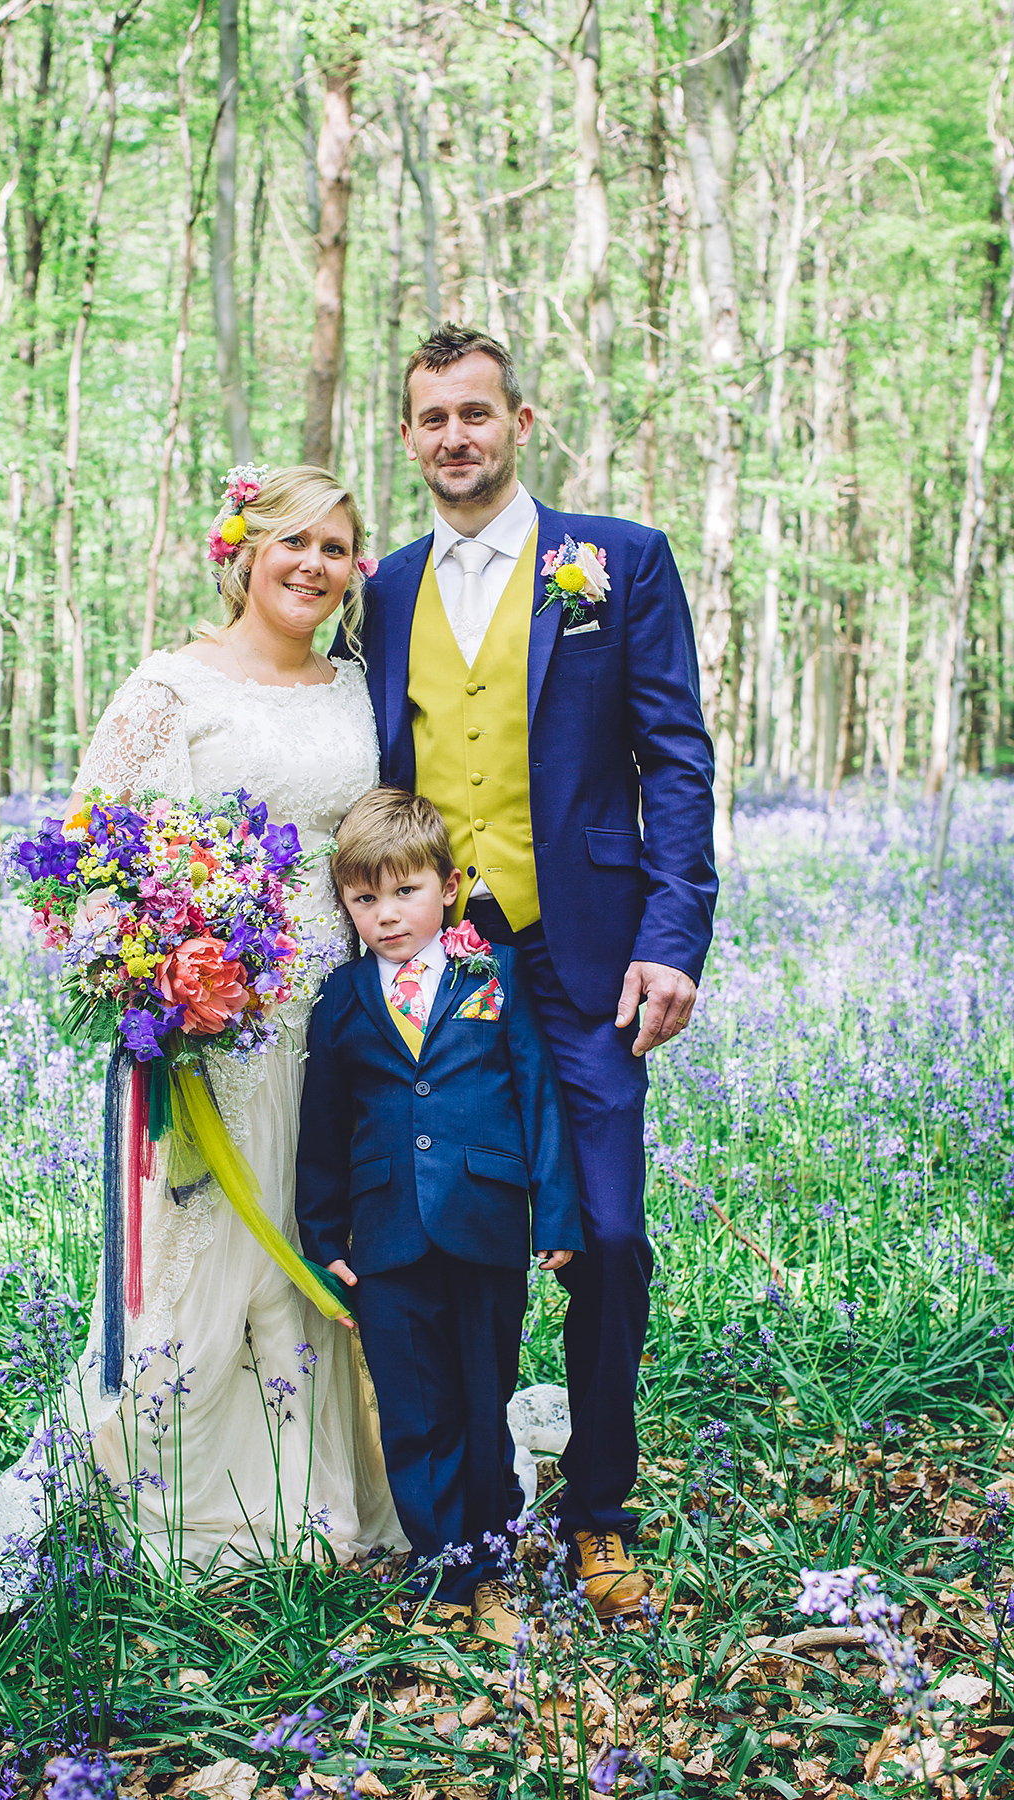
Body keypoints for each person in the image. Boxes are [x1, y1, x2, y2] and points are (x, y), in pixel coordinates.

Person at [0, 466, 403, 1615]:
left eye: (337, 548)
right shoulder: (169, 688)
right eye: (292, 542)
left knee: (320, 1232)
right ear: (241, 549)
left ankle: (329, 1497)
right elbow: (84, 859)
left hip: (340, 1023)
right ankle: (174, 1503)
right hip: (210, 1027)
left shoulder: (360, 689)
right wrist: (157, 970)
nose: (312, 566)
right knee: (202, 1251)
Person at [340, 325, 718, 1621]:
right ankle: (479, 1526)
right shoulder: (384, 590)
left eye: (477, 413)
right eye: (433, 417)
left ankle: (600, 1512)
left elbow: (674, 756)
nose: (457, 436)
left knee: (607, 1235)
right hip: (446, 972)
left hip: (590, 957)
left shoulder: (613, 562)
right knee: (470, 1244)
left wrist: (675, 934)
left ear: (521, 420)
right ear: (408, 437)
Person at [295, 788, 584, 1646]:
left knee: (480, 1393)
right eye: (364, 899)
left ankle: (492, 1561)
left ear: (450, 885)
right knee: (415, 1411)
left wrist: (558, 1216)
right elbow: (322, 1128)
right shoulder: (342, 998)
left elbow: (537, 1093)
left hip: (486, 1221)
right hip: (383, 1236)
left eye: (405, 893)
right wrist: (321, 1238)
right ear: (345, 904)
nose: (386, 917)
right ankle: (445, 1565)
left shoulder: (494, 975)